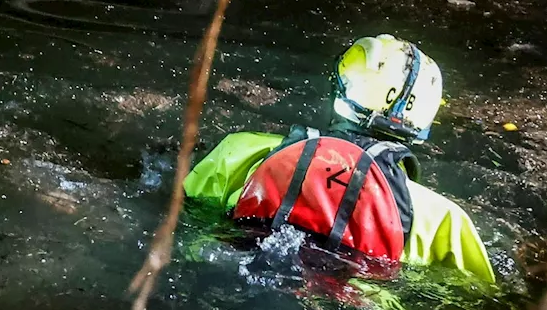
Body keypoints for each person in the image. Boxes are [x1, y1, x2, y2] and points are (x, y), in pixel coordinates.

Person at [183, 34, 495, 287]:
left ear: (339, 92)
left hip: (228, 275)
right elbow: (479, 296)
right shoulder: (443, 220)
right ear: (421, 124)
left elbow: (187, 212)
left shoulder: (239, 150)